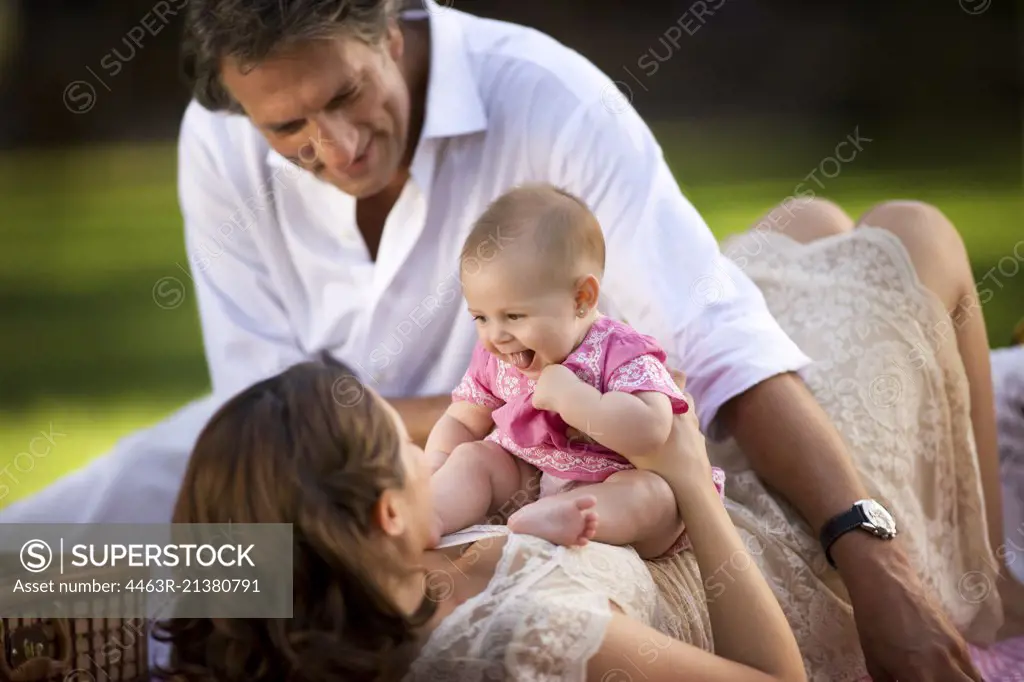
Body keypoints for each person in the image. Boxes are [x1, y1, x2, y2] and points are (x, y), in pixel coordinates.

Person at [1, 0, 1019, 679]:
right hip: (334, 461)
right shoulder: (500, 603)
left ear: (390, 28)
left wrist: (874, 558)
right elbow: (271, 401)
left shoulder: (545, 95)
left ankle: (984, 583)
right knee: (902, 236)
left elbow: (719, 341)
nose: (339, 147)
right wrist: (509, 425)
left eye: (348, 96)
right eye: (290, 131)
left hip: (359, 465)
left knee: (810, 231)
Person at [152, 355, 808, 682]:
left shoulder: (378, 590)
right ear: (385, 512)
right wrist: (690, 477)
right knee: (905, 227)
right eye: (405, 447)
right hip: (775, 567)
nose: (424, 454)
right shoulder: (531, 637)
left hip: (697, 506)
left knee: (815, 232)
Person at [428, 183, 723, 557]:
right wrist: (437, 463)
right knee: (473, 458)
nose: (496, 335)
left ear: (582, 299)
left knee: (653, 496)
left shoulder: (620, 352)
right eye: (481, 317)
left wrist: (577, 400)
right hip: (530, 478)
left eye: (514, 316)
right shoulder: (498, 356)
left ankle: (565, 517)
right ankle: (429, 516)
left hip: (614, 483)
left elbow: (651, 430)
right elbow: (464, 421)